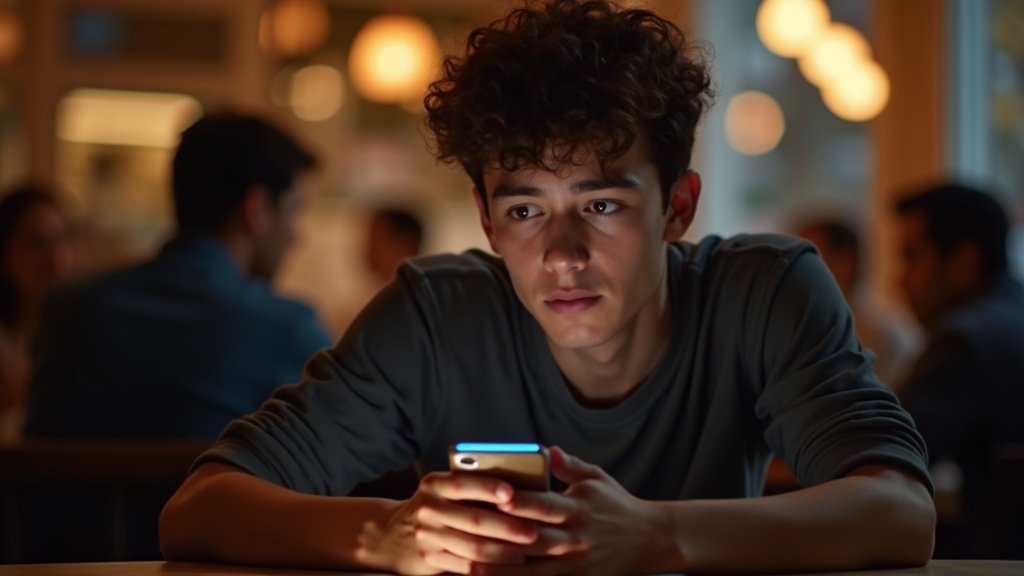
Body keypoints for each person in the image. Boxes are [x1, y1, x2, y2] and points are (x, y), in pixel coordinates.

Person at [160, 2, 935, 574]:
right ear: (488, 224)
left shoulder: (765, 292)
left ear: (678, 206)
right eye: (525, 209)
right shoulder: (435, 316)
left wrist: (658, 537)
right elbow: (198, 508)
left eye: (602, 205)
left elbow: (901, 510)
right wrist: (384, 533)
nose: (562, 255)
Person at [19, 112, 332, 561]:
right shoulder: (285, 327)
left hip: (59, 567)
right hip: (212, 568)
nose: (297, 235)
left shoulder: (65, 309)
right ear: (258, 210)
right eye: (295, 210)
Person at [894, 182, 1024, 559]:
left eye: (911, 258)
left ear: (964, 261)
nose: (899, 279)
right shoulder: (1012, 317)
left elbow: (879, 454)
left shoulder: (967, 339)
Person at [793, 217, 921, 389]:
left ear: (845, 262)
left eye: (808, 261)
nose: (796, 272)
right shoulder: (799, 332)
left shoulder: (883, 336)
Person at [0, 186, 75, 443]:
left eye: (62, 239)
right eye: (35, 244)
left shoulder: (83, 333)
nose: (54, 258)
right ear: (5, 256)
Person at [333, 207, 425, 335]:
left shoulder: (418, 308)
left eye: (374, 241)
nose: (366, 250)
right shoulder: (366, 302)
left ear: (407, 245)